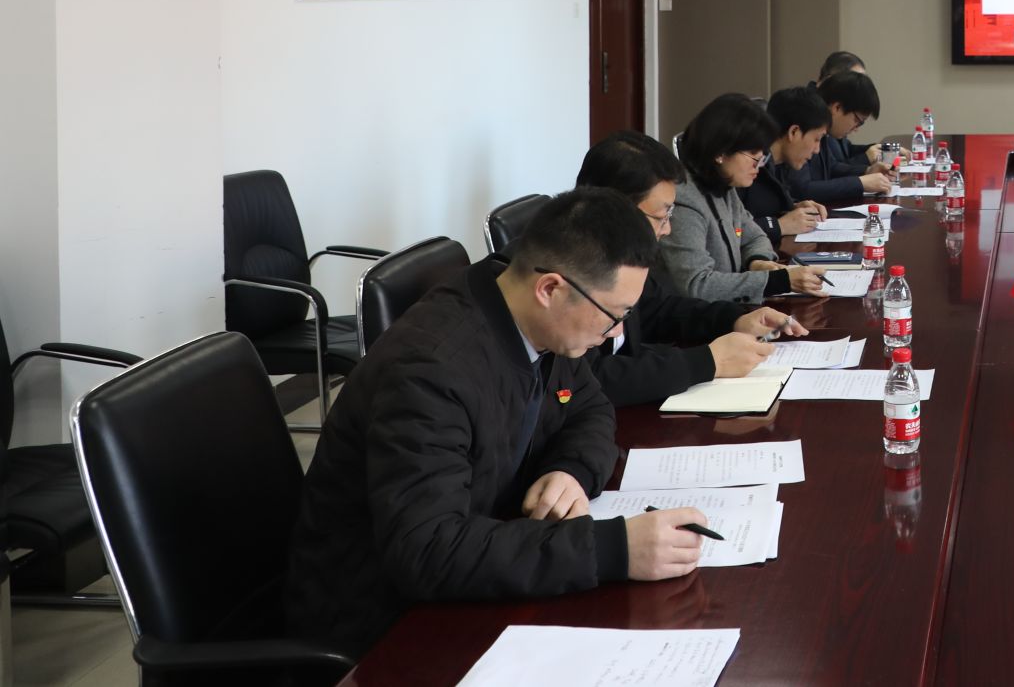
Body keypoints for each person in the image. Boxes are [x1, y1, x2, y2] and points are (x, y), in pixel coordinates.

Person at [285, 188, 710, 658]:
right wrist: (613, 549)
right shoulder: (431, 372)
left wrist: (570, 469)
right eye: (614, 315)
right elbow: (428, 550)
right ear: (550, 289)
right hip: (380, 620)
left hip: (476, 562)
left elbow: (590, 408)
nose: (617, 331)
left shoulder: (535, 317)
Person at [575, 131, 808, 407]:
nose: (668, 229)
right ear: (616, 208)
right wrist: (708, 361)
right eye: (662, 216)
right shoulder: (572, 270)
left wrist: (734, 319)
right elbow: (590, 379)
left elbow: (658, 311)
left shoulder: (623, 255)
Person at [663, 93, 828, 302]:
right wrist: (776, 281)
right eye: (752, 153)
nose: (759, 164)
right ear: (721, 152)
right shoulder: (683, 201)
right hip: (695, 319)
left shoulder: (724, 186)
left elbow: (755, 236)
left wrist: (757, 261)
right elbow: (697, 285)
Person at [741, 87, 831, 250]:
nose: (817, 150)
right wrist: (779, 225)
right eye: (816, 139)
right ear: (794, 132)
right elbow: (731, 231)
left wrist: (792, 208)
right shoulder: (745, 166)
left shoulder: (780, 165)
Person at [792, 69, 890, 208]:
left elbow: (831, 167)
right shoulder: (804, 123)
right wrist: (860, 183)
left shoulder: (822, 125)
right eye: (857, 121)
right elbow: (803, 189)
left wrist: (867, 171)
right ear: (837, 108)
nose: (856, 128)